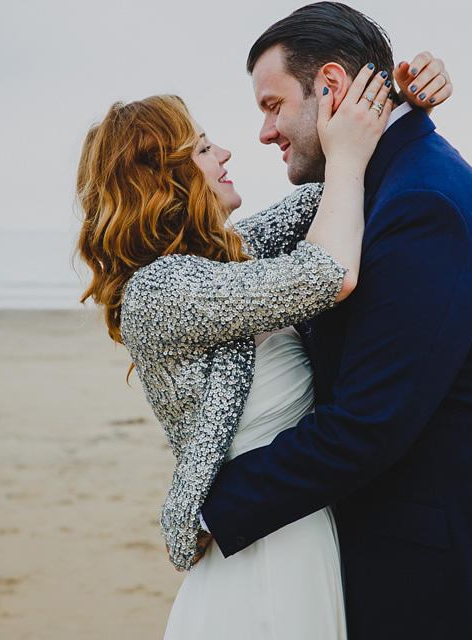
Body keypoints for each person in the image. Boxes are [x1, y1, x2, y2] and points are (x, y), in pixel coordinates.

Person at [197, 3, 472, 639]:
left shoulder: (420, 203)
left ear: (329, 88)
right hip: (434, 539)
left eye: (273, 105)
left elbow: (368, 421)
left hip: (471, 561)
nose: (264, 132)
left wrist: (213, 508)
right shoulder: (371, 183)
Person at [78, 52, 449, 638]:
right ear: (162, 178)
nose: (224, 153)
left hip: (290, 524)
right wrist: (349, 159)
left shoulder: (223, 259)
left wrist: (399, 104)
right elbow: (327, 273)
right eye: (202, 148)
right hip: (261, 555)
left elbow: (326, 203)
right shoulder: (162, 289)